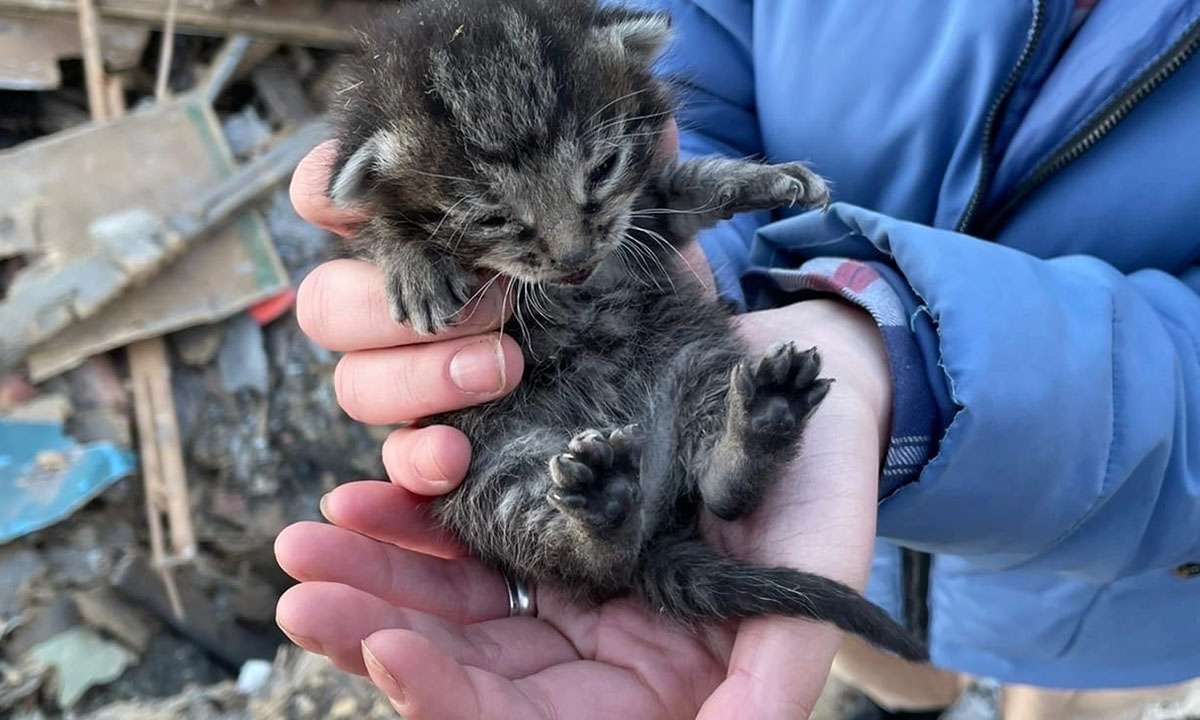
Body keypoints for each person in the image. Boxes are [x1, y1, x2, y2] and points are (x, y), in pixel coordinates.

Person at [273, 1, 1200, 718]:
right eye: (499, 221)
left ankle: (693, 475)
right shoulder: (426, 185)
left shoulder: (602, 123)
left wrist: (895, 364)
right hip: (713, 459)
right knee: (493, 476)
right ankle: (629, 510)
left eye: (596, 185)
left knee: (1052, 685)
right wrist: (404, 262)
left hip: (1098, 571)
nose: (568, 251)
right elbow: (692, 94)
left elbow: (664, 176)